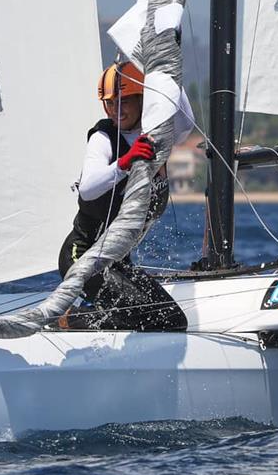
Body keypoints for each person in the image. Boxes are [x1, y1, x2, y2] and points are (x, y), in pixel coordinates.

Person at [57, 62, 189, 331]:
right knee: (165, 319)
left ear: (143, 98)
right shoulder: (104, 138)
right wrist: (125, 162)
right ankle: (67, 320)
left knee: (172, 320)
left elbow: (185, 116)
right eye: (110, 102)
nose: (116, 109)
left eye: (125, 100)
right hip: (83, 259)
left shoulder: (158, 136)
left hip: (118, 265)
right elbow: (88, 188)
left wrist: (162, 66)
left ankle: (89, 314)